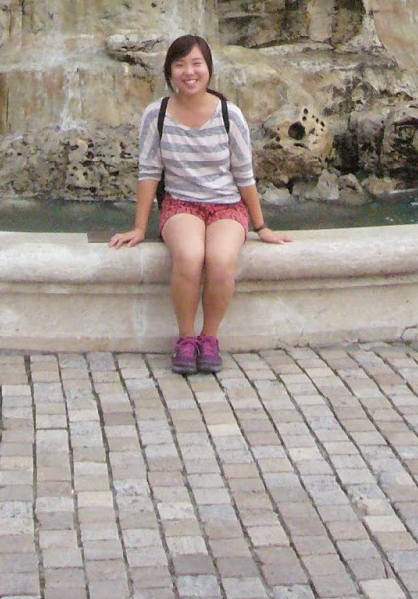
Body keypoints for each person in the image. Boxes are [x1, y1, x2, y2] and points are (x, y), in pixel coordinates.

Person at [110, 33, 290, 375]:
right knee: (189, 256)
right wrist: (139, 227)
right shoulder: (157, 114)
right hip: (180, 204)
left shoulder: (229, 114)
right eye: (180, 65)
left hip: (227, 206)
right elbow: (149, 172)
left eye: (196, 64)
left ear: (208, 69)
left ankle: (209, 337)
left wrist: (262, 226)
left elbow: (244, 174)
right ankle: (186, 338)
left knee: (220, 260)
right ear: (169, 71)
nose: (189, 72)